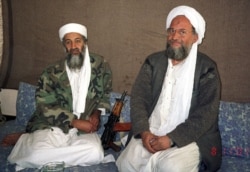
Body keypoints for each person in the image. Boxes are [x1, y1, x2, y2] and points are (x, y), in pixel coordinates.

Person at [116, 5, 222, 172]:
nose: (174, 37)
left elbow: (206, 113)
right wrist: (144, 132)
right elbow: (138, 99)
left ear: (195, 37)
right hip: (151, 133)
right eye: (171, 31)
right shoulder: (153, 62)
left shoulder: (206, 68)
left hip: (189, 139)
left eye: (182, 32)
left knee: (171, 168)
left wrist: (172, 139)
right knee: (125, 164)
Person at [3, 23, 112, 170]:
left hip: (84, 130)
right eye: (68, 42)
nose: (73, 46)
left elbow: (104, 94)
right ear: (64, 46)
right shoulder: (51, 72)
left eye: (78, 41)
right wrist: (74, 122)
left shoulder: (100, 65)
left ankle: (42, 149)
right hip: (52, 126)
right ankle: (26, 140)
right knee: (35, 155)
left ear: (85, 43)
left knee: (96, 153)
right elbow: (44, 105)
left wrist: (97, 113)